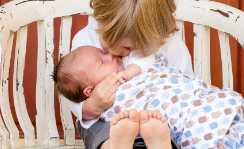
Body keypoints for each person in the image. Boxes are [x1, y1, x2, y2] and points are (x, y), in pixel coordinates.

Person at [68, 0, 194, 148]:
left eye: (128, 48)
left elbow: (185, 84)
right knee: (96, 130)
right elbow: (73, 91)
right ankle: (114, 145)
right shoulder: (85, 41)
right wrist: (92, 105)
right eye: (107, 40)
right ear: (99, 19)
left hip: (158, 117)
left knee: (170, 129)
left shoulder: (168, 43)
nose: (113, 51)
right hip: (110, 120)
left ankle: (160, 144)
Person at [54, 46, 244, 149]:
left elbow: (151, 60)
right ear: (90, 90)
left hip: (196, 102)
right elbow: (86, 117)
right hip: (172, 120)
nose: (111, 56)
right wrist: (94, 104)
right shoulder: (108, 96)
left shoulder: (131, 65)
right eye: (102, 62)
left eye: (104, 53)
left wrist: (130, 71)